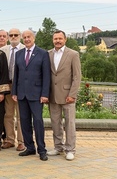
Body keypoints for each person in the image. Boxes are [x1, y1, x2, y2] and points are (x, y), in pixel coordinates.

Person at [12, 30, 51, 161]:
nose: (27, 39)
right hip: (22, 94)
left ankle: (42, 150)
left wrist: (45, 94)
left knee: (38, 122)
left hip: (37, 95)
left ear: (34, 38)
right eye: (24, 37)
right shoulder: (18, 54)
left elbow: (46, 76)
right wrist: (14, 92)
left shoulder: (43, 53)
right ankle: (30, 147)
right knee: (24, 122)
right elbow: (16, 75)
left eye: (29, 37)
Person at [47, 30, 82, 161]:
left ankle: (70, 149)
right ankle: (58, 147)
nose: (57, 41)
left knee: (69, 123)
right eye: (55, 39)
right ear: (53, 40)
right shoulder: (48, 54)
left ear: (65, 39)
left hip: (68, 95)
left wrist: (73, 94)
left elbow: (77, 76)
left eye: (60, 38)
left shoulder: (73, 54)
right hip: (53, 95)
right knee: (55, 123)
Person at [0, 28, 25, 151]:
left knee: (21, 115)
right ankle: (9, 139)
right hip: (8, 86)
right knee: (8, 114)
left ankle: (22, 141)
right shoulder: (3, 50)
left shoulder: (25, 49)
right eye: (11, 35)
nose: (13, 37)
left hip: (21, 87)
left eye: (16, 35)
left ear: (20, 36)